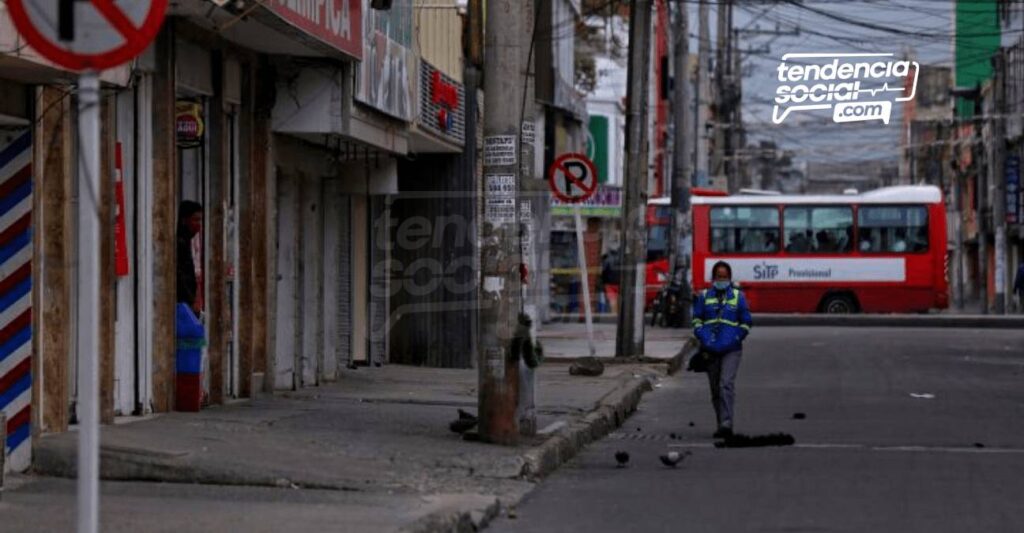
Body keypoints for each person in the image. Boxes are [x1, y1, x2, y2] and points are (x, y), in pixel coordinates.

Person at [692, 261, 753, 439]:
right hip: (710, 350)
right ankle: (721, 423)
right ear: (713, 278)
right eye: (719, 276)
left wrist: (737, 337)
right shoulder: (704, 296)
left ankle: (727, 423)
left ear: (730, 278)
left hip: (731, 349)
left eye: (725, 276)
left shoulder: (737, 296)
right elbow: (697, 321)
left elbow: (746, 322)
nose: (722, 279)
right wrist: (703, 337)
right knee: (715, 389)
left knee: (726, 384)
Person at [177, 201, 203, 315]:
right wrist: (191, 300)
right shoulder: (180, 243)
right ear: (184, 220)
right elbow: (181, 275)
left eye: (200, 220)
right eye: (195, 220)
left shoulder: (188, 240)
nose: (199, 224)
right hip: (183, 303)